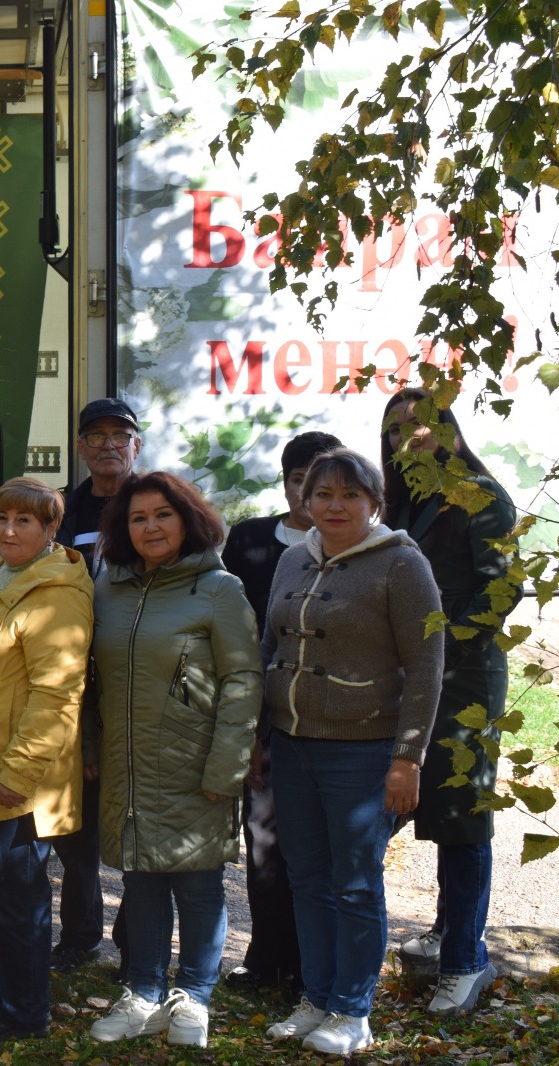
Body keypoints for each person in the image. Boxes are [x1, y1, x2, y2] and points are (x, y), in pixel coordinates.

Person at [261, 448, 444, 1055]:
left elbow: (426, 667)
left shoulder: (401, 564)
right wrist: (261, 738)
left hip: (364, 753)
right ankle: (317, 997)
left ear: (374, 503)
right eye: (323, 495)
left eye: (349, 496)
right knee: (307, 877)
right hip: (291, 747)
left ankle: (353, 1011)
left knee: (357, 884)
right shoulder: (293, 558)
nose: (334, 506)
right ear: (305, 502)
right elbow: (270, 650)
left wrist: (408, 758)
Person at [86, 472, 260, 1050]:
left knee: (199, 881)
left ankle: (195, 996)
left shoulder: (218, 589)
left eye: (162, 514)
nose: (150, 527)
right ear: (122, 527)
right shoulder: (108, 588)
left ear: (187, 520)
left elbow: (243, 678)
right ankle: (142, 992)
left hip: (194, 760)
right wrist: (90, 746)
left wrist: (227, 764)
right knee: (140, 877)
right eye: (137, 518)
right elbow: (89, 678)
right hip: (127, 759)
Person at [0, 477, 94, 1042]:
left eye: (24, 521)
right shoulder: (1, 580)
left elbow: (57, 695)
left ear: (51, 530)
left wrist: (20, 773)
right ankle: (5, 997)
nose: (8, 529)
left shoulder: (56, 596)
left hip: (17, 783)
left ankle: (26, 1013)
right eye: (2, 517)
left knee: (17, 902)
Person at [382, 389, 517, 1016]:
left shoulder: (481, 497)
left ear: (450, 428)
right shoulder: (402, 504)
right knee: (421, 805)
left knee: (462, 814)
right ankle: (447, 929)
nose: (410, 437)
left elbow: (500, 594)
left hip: (463, 681)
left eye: (423, 424)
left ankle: (466, 961)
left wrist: (436, 649)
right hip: (408, 680)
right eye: (396, 429)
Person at [219, 429, 342, 990]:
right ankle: (266, 958)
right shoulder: (248, 540)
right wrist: (247, 723)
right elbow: (236, 633)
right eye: (300, 481)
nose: (310, 494)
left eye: (322, 483)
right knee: (264, 842)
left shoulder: (358, 548)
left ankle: (312, 967)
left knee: (319, 851)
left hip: (330, 720)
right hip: (263, 713)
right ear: (287, 482)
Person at [49, 397, 143, 975]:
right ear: (81, 447)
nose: (109, 445)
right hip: (75, 686)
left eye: (120, 435)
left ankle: (137, 943)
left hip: (138, 684)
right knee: (76, 829)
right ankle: (78, 938)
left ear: (138, 445)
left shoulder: (157, 505)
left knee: (137, 821)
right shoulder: (64, 509)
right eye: (97, 436)